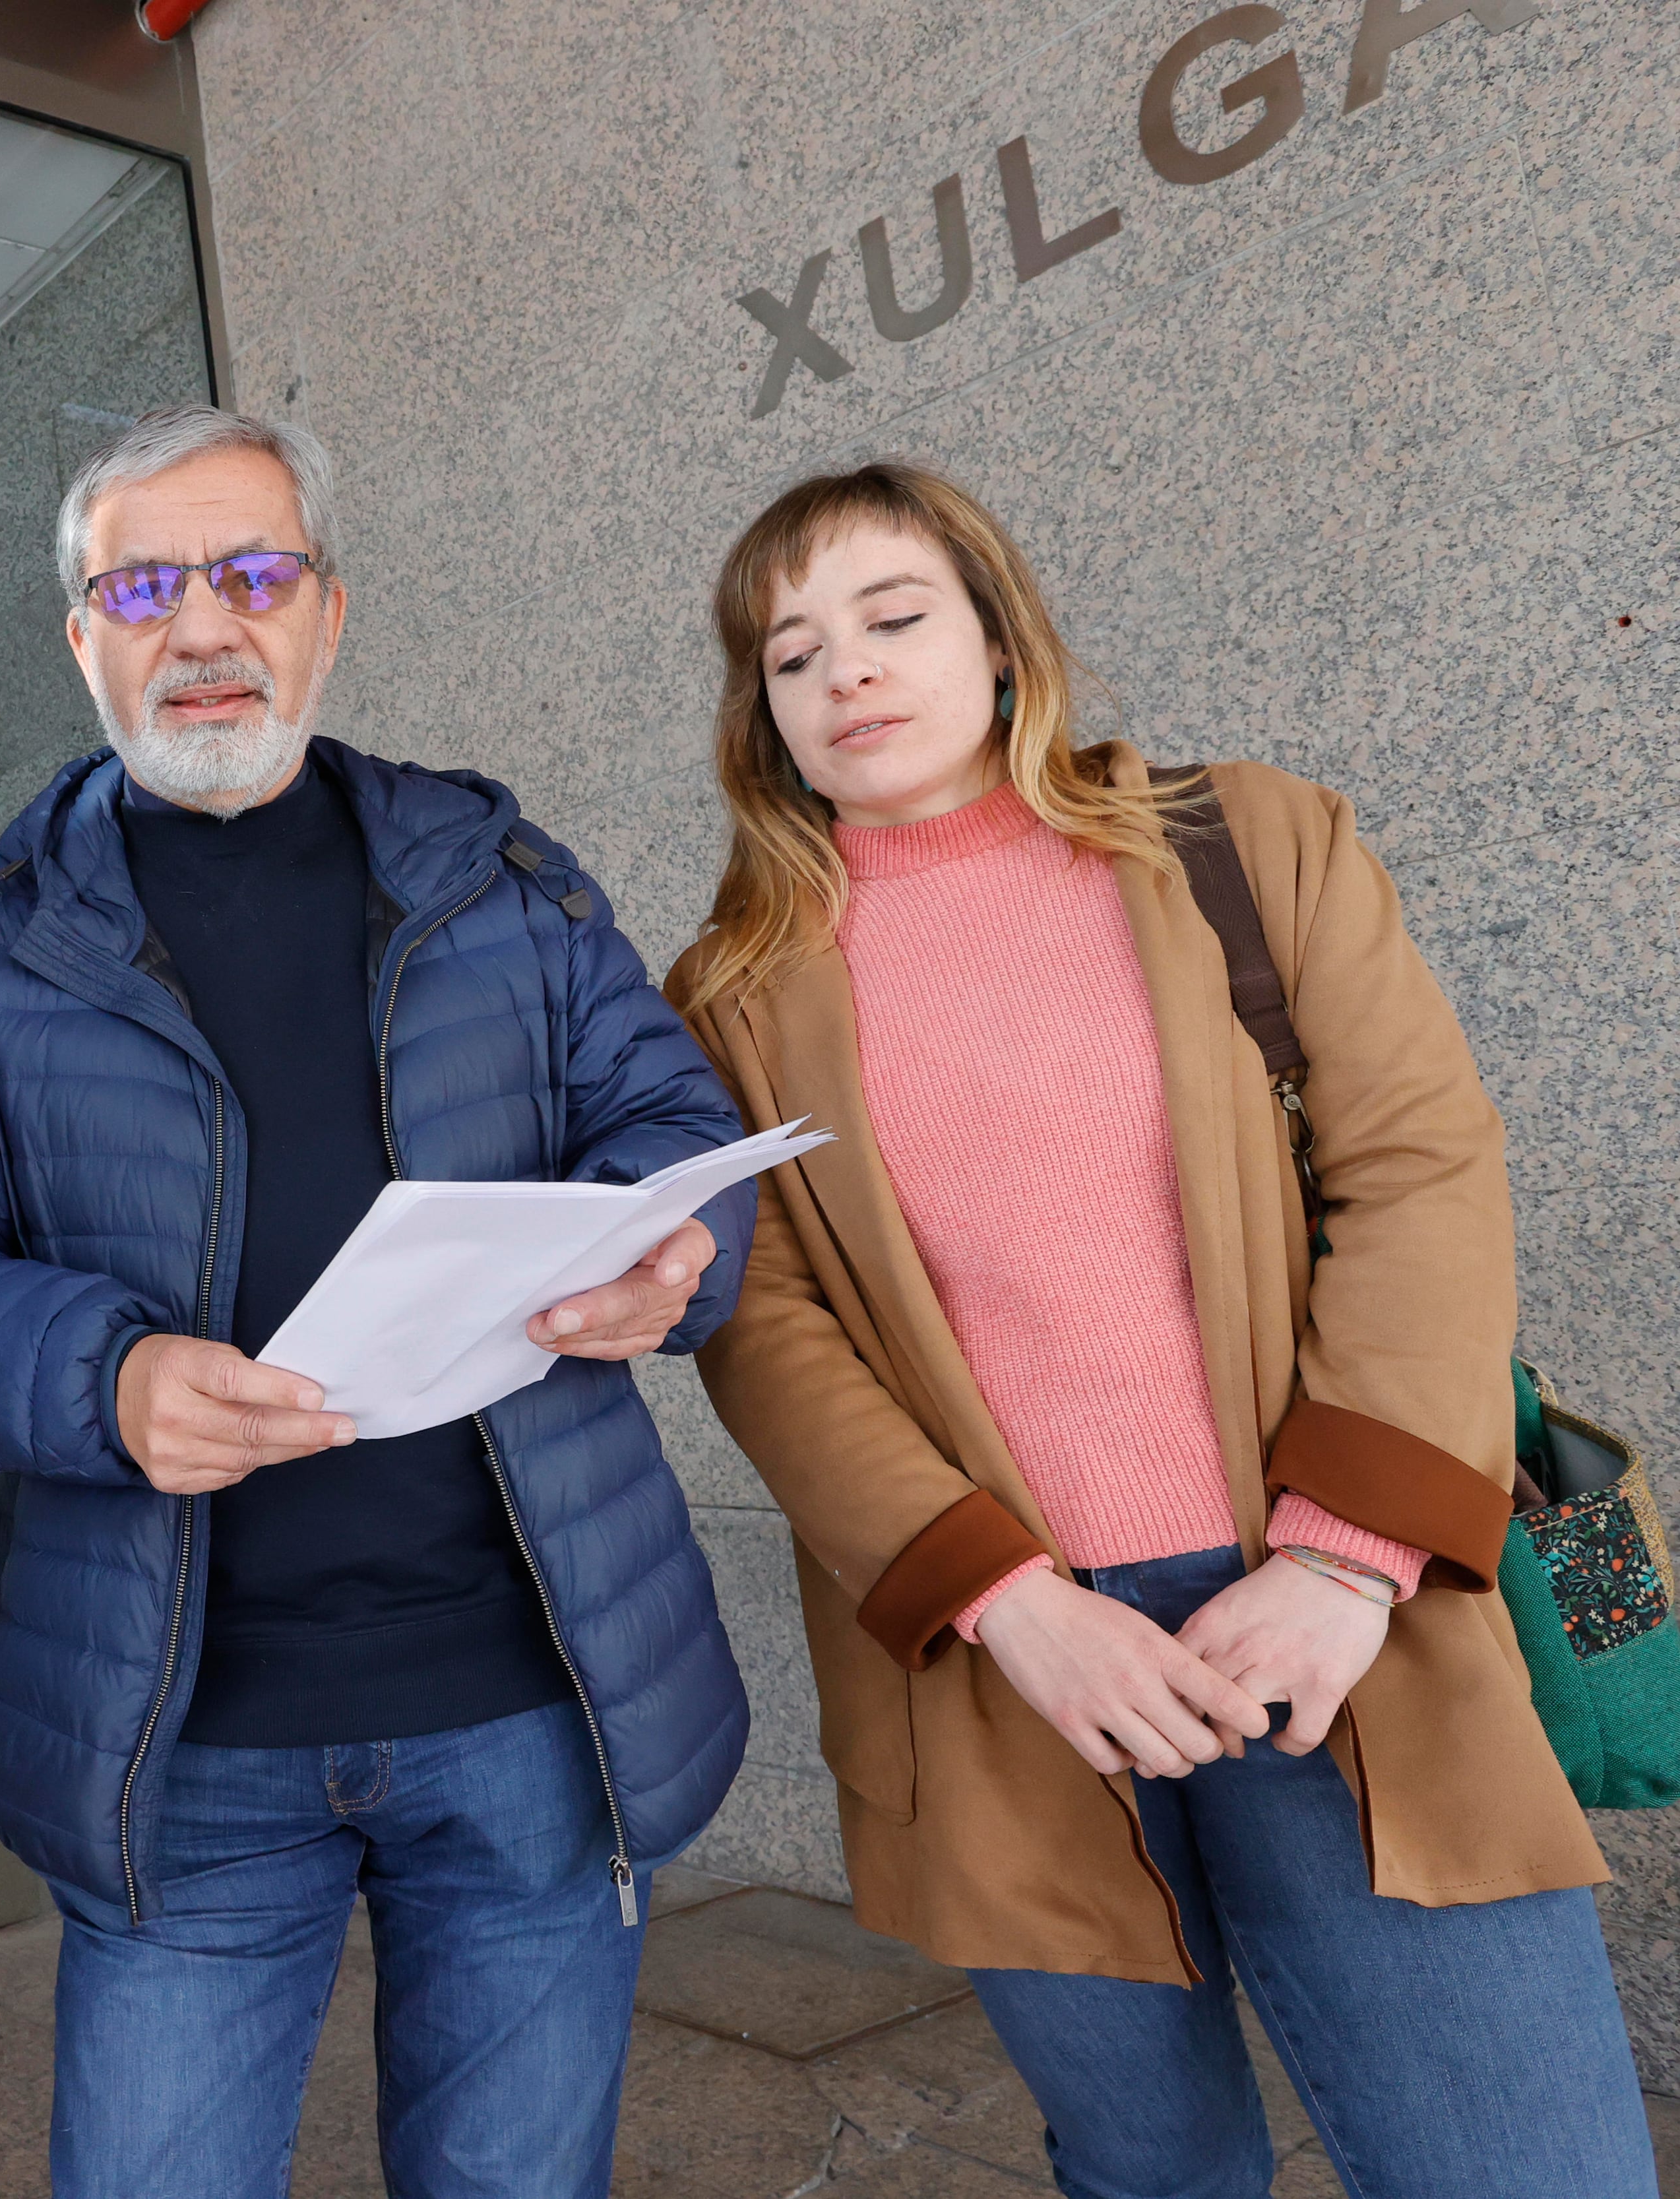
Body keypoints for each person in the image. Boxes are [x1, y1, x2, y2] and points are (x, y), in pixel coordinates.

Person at [666, 459, 1653, 2198]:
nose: (846, 674)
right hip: (1009, 1669)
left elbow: (1423, 1171)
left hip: (1342, 1615)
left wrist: (1348, 1563)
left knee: (1527, 2167)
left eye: (893, 618)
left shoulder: (1242, 843)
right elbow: (768, 1329)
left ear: (999, 634)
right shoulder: (739, 988)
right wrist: (1008, 1603)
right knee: (1154, 2174)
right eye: (790, 652)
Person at [0, 403, 756, 2198]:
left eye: (254, 573)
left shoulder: (503, 877)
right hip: (184, 1736)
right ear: (82, 634)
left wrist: (668, 1260)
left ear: (326, 611)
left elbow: (671, 1124)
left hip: (529, 1704)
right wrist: (104, 1380)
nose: (204, 627)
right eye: (146, 584)